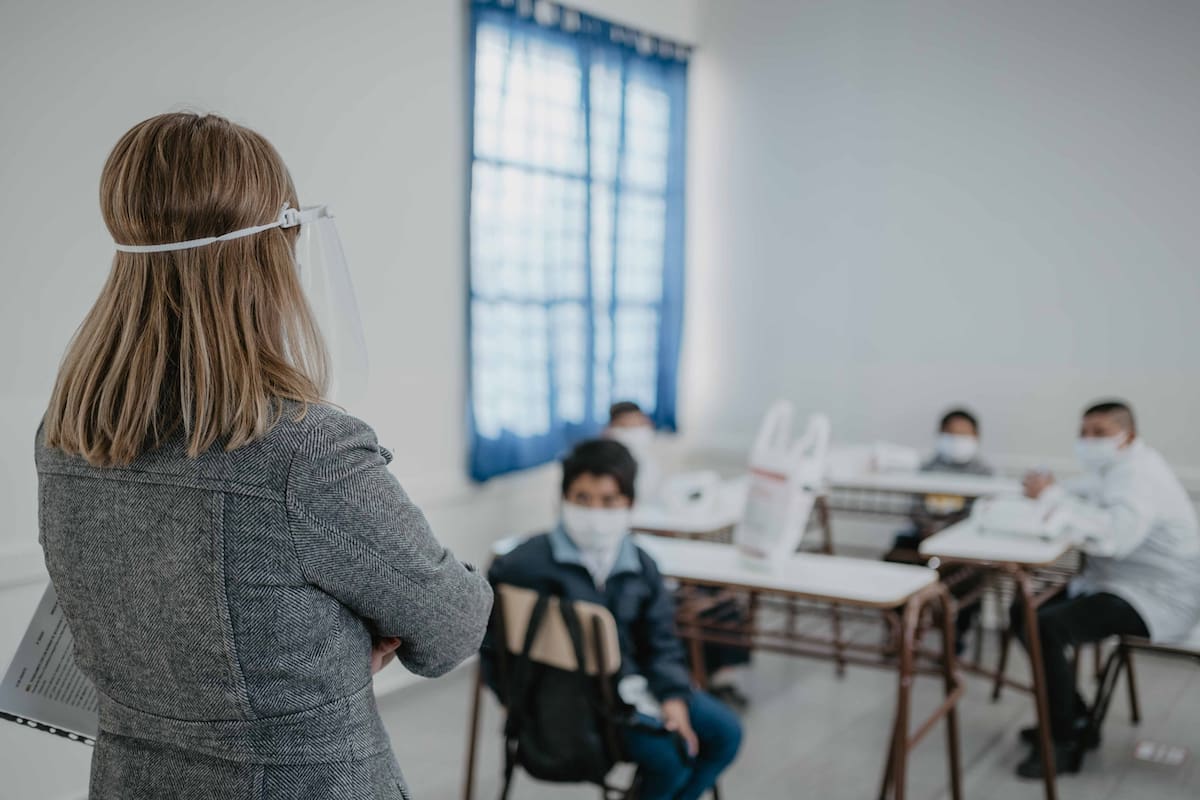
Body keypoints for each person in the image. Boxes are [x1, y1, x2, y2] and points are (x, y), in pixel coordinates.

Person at [36, 112, 493, 799]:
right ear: (269, 254)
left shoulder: (65, 435)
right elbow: (455, 624)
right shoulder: (308, 452)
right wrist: (336, 649)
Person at [484, 440, 742, 800]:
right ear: (563, 497)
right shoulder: (522, 566)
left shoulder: (641, 565)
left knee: (726, 733)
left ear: (630, 503)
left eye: (609, 500)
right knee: (671, 758)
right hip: (569, 704)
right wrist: (513, 700)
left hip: (638, 684)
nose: (594, 511)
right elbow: (490, 644)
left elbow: (661, 641)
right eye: (582, 497)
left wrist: (672, 698)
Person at [1013, 400, 1200, 778]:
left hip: (1158, 597)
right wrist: (1052, 490)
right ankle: (1075, 717)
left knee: (1048, 626)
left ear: (1127, 436)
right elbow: (1081, 494)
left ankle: (1062, 741)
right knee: (1024, 611)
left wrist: (1052, 499)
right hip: (1116, 584)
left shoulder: (1139, 475)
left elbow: (1114, 538)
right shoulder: (1114, 468)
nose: (1088, 440)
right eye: (1083, 432)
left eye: (1099, 432)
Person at [605, 401, 662, 503]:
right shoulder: (606, 464)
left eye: (641, 424)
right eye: (627, 426)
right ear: (611, 430)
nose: (638, 431)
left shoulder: (650, 462)